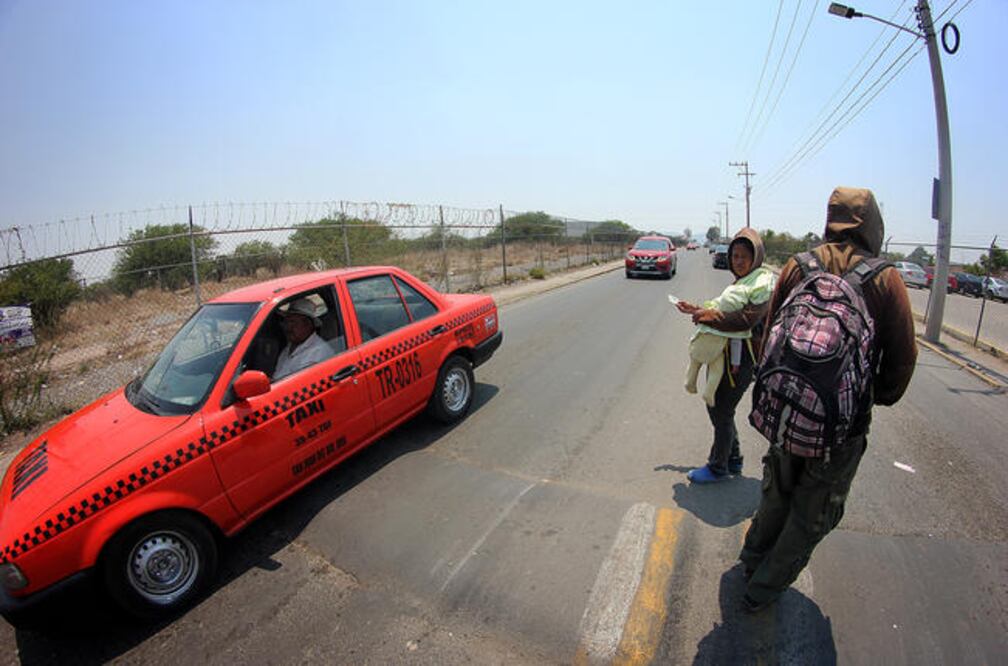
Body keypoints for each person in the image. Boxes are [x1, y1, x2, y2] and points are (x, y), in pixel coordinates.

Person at [739, 186, 917, 612]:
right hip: (842, 427)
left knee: (777, 490)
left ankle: (751, 561)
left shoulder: (798, 267)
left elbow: (766, 336)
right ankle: (762, 589)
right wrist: (878, 396)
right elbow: (902, 357)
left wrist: (783, 387)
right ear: (873, 225)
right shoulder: (885, 279)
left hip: (787, 413)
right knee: (813, 511)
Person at [675, 228, 775, 483]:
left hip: (740, 361)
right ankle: (733, 459)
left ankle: (718, 466)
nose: (738, 261)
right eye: (735, 256)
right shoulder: (743, 282)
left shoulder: (762, 283)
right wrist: (695, 310)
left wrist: (705, 316)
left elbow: (744, 320)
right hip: (725, 354)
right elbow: (721, 309)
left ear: (756, 257)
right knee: (721, 410)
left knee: (721, 410)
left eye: (744, 256)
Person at [273, 298, 332, 380]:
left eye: (294, 323)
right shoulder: (288, 348)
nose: (288, 327)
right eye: (287, 322)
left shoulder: (318, 352)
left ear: (308, 325)